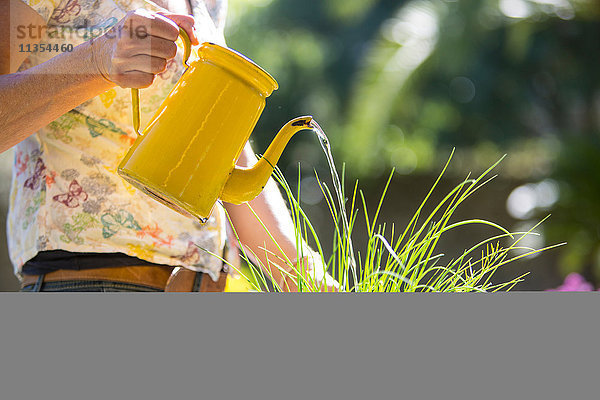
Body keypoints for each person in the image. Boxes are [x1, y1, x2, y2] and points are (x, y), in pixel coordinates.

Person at [0, 0, 335, 292]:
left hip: (205, 287)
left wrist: (305, 276)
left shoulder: (208, 4)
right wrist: (97, 60)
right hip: (89, 281)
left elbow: (226, 157)